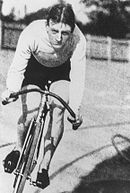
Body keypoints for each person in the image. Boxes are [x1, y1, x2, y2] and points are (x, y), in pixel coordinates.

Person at [1, 2, 87, 190]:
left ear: (72, 31)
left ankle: (44, 166)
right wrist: (12, 90)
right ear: (46, 24)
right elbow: (17, 66)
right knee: (30, 112)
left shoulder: (78, 39)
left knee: (58, 108)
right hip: (35, 69)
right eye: (54, 30)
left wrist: (76, 108)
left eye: (65, 33)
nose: (59, 38)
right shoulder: (32, 33)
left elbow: (78, 75)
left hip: (61, 72)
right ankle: (18, 148)